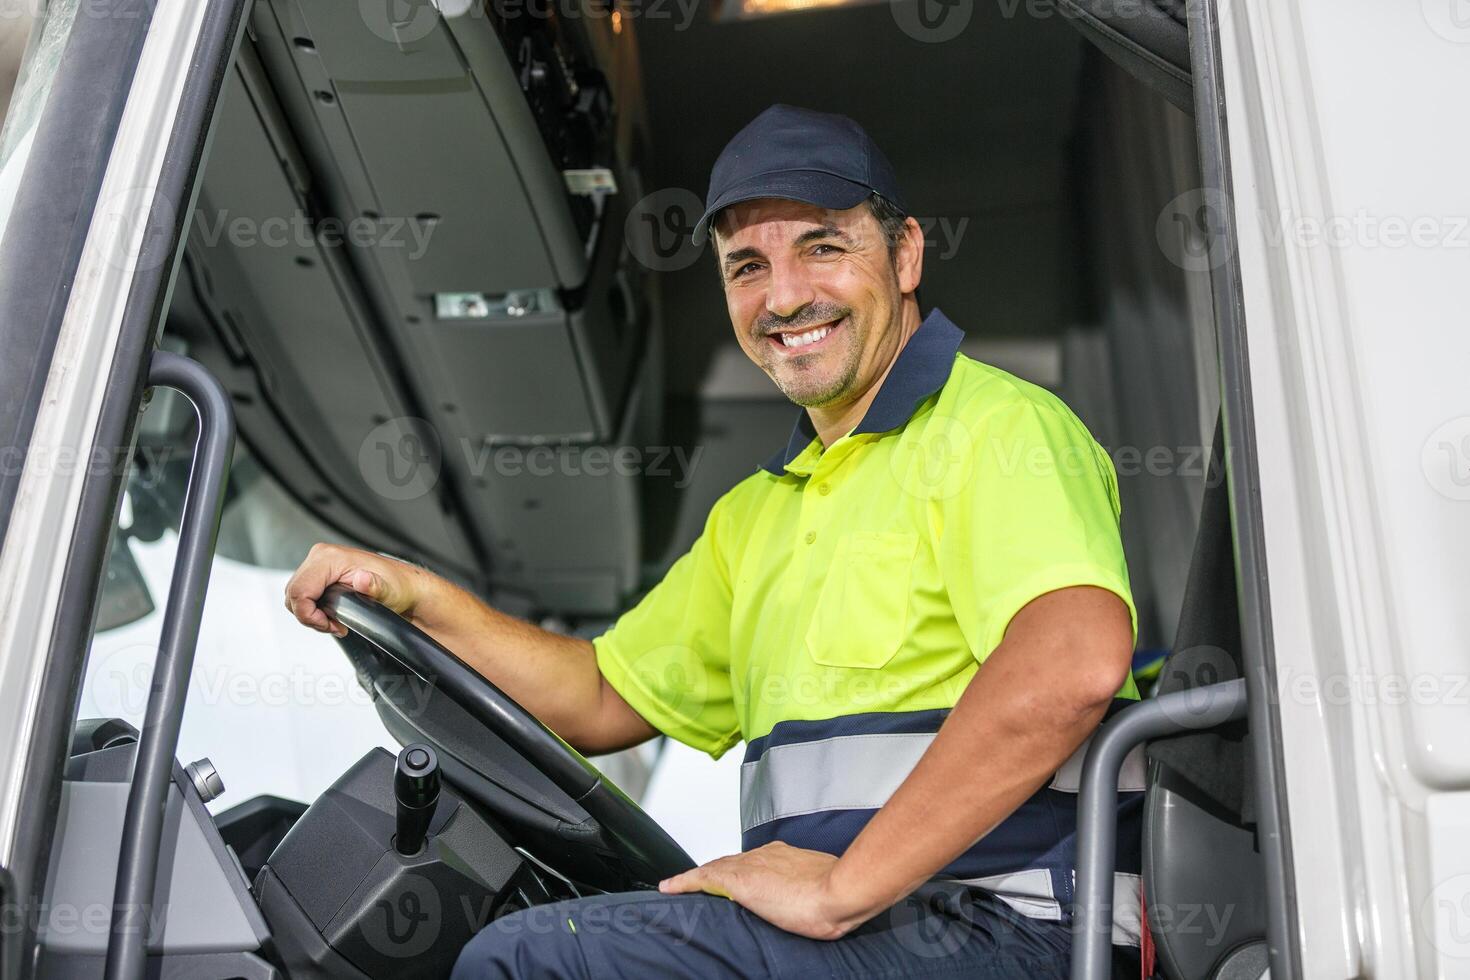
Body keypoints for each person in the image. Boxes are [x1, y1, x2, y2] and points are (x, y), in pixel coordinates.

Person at [286, 104, 1143, 978]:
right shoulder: (755, 517)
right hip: (875, 936)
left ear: (907, 253)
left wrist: (845, 886)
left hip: (1022, 925)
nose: (783, 297)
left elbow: (1070, 663)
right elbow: (596, 697)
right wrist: (415, 596)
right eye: (746, 266)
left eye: (822, 246)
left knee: (531, 964)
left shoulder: (997, 428)